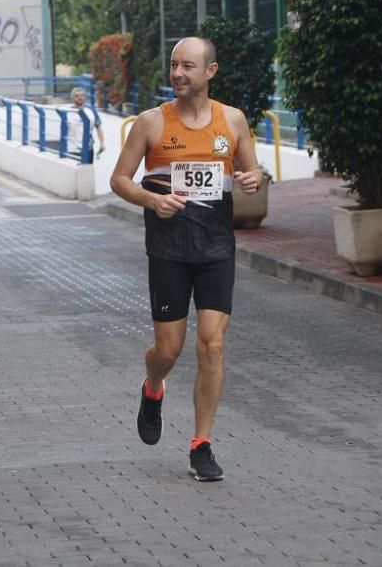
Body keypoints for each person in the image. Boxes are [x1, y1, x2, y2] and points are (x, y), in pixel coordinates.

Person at [109, 37, 263, 482]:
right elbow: (120, 180)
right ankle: (153, 386)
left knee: (212, 343)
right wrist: (150, 201)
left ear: (210, 72)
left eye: (188, 66)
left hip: (216, 247)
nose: (178, 73)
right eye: (174, 65)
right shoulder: (151, 123)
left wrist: (254, 178)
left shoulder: (232, 120)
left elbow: (251, 173)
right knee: (169, 350)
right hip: (168, 249)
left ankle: (201, 445)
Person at [70, 87, 105, 161]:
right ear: (72, 98)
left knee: (87, 171)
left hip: (88, 148)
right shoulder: (67, 112)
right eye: (77, 96)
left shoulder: (91, 111)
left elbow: (98, 127)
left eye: (82, 95)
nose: (80, 97)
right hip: (72, 149)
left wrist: (102, 143)